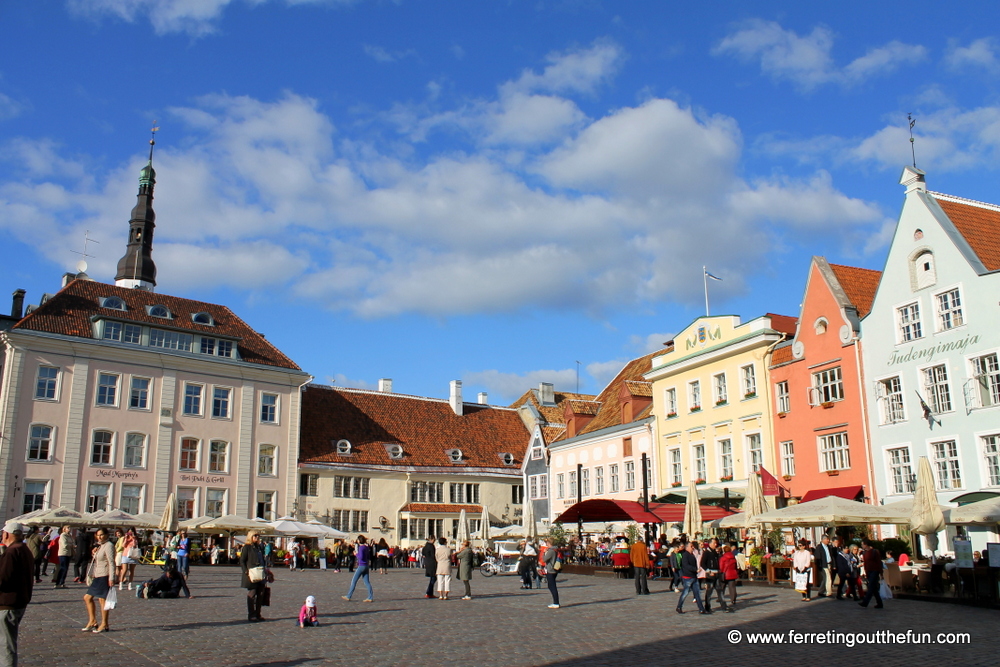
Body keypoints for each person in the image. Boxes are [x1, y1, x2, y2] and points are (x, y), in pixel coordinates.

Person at [0, 522, 34, 667]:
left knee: (6, 645)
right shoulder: (24, 549)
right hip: (19, 601)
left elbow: (3, 578)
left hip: (8, 603)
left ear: (7, 534)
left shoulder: (13, 551)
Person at [82, 527, 117, 633]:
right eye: (97, 535)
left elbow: (111, 562)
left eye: (101, 535)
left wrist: (112, 578)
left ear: (106, 535)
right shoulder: (101, 546)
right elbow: (99, 559)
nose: (99, 537)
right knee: (87, 598)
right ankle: (92, 621)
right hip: (97, 575)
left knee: (102, 600)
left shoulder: (109, 546)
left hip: (105, 575)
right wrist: (94, 553)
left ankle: (104, 623)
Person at [240, 529, 269, 622]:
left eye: (258, 536)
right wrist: (246, 571)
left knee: (261, 594)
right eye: (255, 536)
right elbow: (242, 560)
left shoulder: (259, 547)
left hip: (260, 573)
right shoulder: (247, 547)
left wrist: (266, 570)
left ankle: (258, 614)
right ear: (250, 537)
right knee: (252, 594)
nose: (257, 537)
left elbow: (262, 560)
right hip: (252, 574)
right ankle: (251, 614)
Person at [676, 541, 706, 614]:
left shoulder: (692, 554)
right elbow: (686, 566)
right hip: (687, 577)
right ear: (687, 547)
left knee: (697, 593)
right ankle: (679, 607)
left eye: (693, 546)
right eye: (691, 546)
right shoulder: (685, 555)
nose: (693, 547)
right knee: (685, 592)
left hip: (694, 576)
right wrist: (695, 569)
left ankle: (701, 609)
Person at [341, 535, 374, 602]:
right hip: (366, 565)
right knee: (367, 582)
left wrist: (356, 554)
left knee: (354, 581)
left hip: (361, 565)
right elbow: (368, 557)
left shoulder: (361, 547)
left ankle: (349, 596)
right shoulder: (367, 547)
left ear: (359, 540)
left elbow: (361, 557)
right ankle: (370, 597)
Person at [701, 538, 728, 612]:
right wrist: (708, 571)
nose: (715, 544)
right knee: (709, 591)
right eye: (714, 543)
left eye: (716, 543)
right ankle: (707, 607)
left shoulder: (716, 552)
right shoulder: (706, 552)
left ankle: (724, 606)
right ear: (710, 544)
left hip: (717, 573)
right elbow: (702, 564)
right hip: (710, 574)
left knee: (720, 590)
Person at [858, 539, 884, 609]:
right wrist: (866, 572)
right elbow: (866, 564)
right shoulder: (864, 553)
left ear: (866, 544)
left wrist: (881, 573)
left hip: (875, 571)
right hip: (869, 571)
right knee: (874, 588)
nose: (862, 546)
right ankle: (880, 603)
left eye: (862, 544)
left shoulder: (874, 552)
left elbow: (879, 563)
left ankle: (865, 602)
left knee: (871, 586)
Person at [539, 538, 560, 609]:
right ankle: (555, 602)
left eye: (547, 542)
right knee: (551, 585)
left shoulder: (551, 551)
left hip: (551, 570)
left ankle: (556, 602)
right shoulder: (556, 549)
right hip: (554, 569)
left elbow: (544, 559)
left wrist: (544, 553)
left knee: (552, 586)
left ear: (549, 543)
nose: (546, 544)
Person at [718, 544, 738, 608]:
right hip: (733, 573)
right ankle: (733, 599)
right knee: (732, 587)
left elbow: (721, 566)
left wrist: (721, 572)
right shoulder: (733, 557)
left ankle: (721, 597)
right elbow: (736, 566)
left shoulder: (723, 558)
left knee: (722, 586)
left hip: (725, 574)